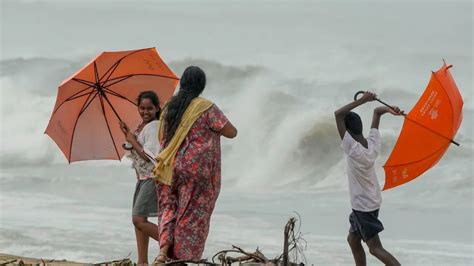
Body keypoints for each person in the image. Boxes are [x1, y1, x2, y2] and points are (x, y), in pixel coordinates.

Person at [154, 66, 237, 262]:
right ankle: (181, 260)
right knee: (190, 216)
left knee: (169, 210)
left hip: (168, 167)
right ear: (201, 85)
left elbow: (162, 136)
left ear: (182, 83)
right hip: (196, 169)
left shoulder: (168, 107)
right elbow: (231, 132)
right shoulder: (205, 107)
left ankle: (163, 253)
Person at [334, 91, 402, 266]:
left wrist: (363, 100)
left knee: (374, 248)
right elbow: (377, 112)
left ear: (347, 131)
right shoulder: (372, 144)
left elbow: (338, 114)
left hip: (363, 206)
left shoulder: (352, 149)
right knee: (353, 240)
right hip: (369, 202)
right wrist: (389, 109)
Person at [119, 91, 162, 265]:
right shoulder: (144, 126)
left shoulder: (155, 126)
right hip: (142, 178)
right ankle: (142, 262)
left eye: (150, 108)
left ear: (157, 108)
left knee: (138, 219)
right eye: (142, 108)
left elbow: (148, 155)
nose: (145, 112)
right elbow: (136, 149)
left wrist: (132, 140)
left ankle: (172, 245)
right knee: (140, 221)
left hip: (151, 178)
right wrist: (128, 135)